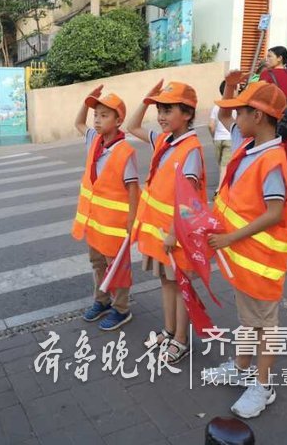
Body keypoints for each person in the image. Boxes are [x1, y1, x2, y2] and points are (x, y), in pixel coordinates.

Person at [204, 72, 287, 419]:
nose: (235, 118)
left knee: (264, 325)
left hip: (262, 262)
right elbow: (225, 118)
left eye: (242, 111)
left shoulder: (271, 160)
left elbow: (275, 213)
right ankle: (240, 366)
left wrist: (229, 237)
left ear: (257, 116)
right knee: (249, 320)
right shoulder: (249, 146)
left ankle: (263, 385)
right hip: (245, 260)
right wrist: (230, 88)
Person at [127, 80, 207, 365]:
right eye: (160, 109)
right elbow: (131, 126)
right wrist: (147, 100)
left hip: (177, 236)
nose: (161, 115)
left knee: (181, 286)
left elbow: (188, 201)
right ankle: (169, 329)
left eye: (168, 109)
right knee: (166, 282)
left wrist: (174, 233)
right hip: (161, 234)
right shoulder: (164, 139)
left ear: (187, 113)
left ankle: (182, 340)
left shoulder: (191, 150)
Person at [72, 85, 139, 331]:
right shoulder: (95, 140)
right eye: (96, 115)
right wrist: (87, 99)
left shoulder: (125, 151)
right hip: (95, 221)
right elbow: (79, 123)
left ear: (119, 120)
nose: (97, 121)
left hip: (115, 225)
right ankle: (101, 301)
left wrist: (132, 221)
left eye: (104, 115)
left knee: (117, 266)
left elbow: (133, 189)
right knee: (97, 264)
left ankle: (121, 309)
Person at [208, 80, 235, 195]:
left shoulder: (216, 107)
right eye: (236, 88)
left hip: (218, 139)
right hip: (230, 138)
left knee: (222, 166)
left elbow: (211, 125)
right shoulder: (236, 106)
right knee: (225, 166)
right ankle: (220, 190)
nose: (238, 90)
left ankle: (224, 187)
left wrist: (214, 137)